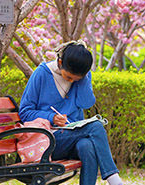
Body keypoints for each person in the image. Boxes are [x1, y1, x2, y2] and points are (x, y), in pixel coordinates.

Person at [19, 40, 123, 185]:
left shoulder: (81, 78)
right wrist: (52, 118)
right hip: (48, 141)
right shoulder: (42, 74)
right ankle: (113, 178)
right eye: (69, 77)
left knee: (86, 146)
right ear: (60, 62)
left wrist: (84, 79)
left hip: (71, 140)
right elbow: (24, 112)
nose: (72, 81)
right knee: (96, 126)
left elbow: (86, 103)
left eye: (77, 79)